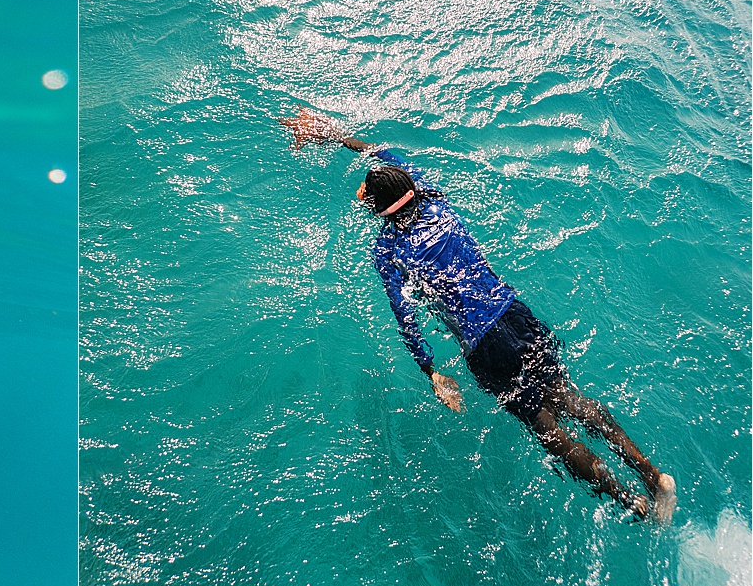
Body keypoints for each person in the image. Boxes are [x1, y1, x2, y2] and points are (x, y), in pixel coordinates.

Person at [280, 106, 676, 522]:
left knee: (546, 427)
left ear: (379, 208)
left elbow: (405, 317)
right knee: (566, 396)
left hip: (485, 344)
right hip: (515, 314)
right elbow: (382, 152)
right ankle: (653, 477)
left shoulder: (386, 249)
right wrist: (339, 135)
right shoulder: (435, 198)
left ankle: (633, 503)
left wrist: (430, 371)